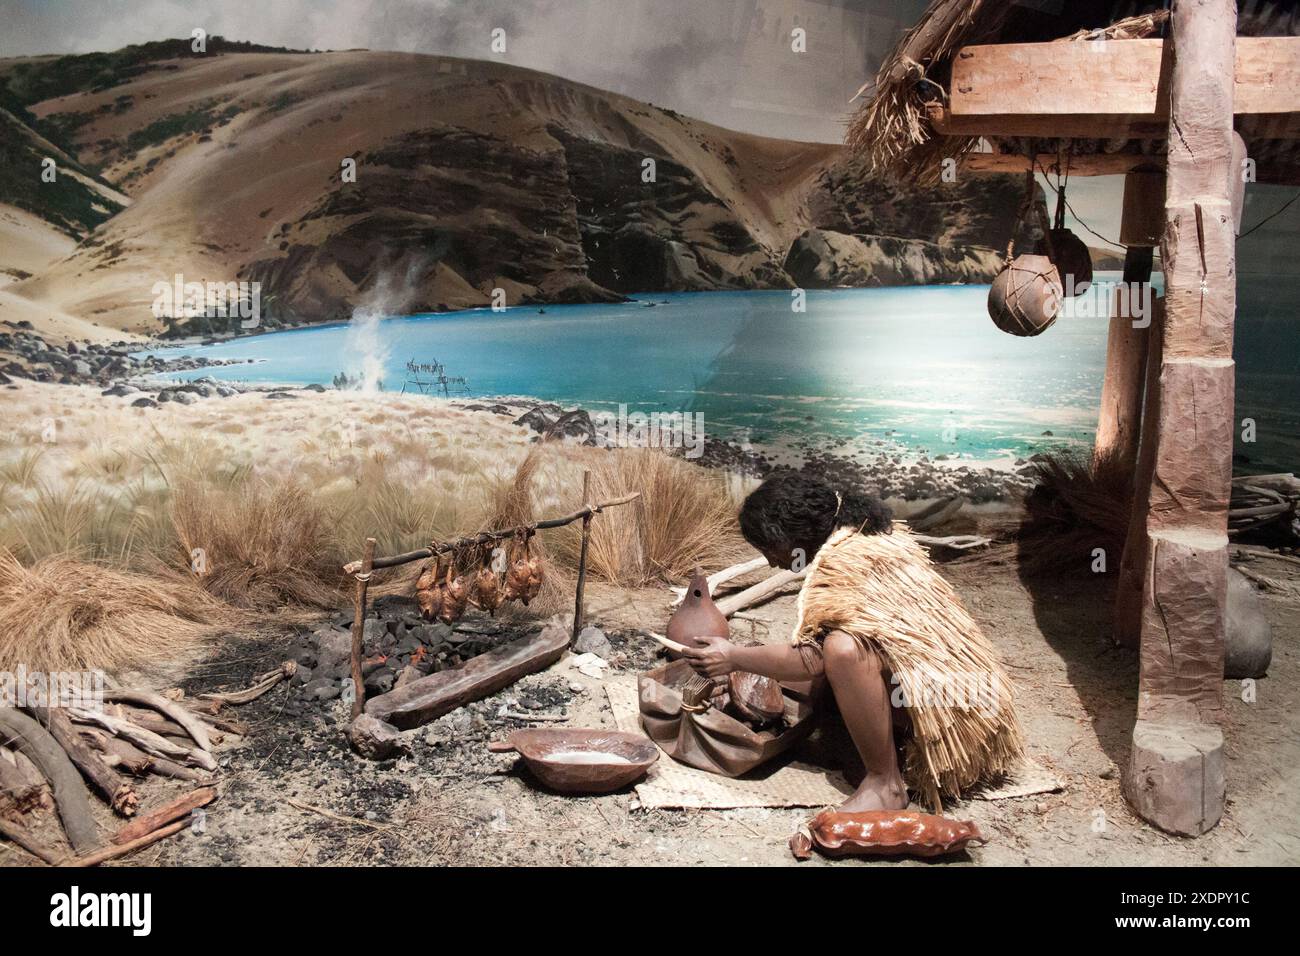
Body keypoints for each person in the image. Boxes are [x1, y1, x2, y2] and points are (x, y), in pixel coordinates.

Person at [681, 472, 1023, 812]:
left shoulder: (843, 563)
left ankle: (885, 783)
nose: (772, 561)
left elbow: (814, 659)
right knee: (817, 663)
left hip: (951, 723)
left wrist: (733, 658)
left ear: (790, 534)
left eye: (770, 549)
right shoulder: (861, 534)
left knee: (842, 652)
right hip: (964, 703)